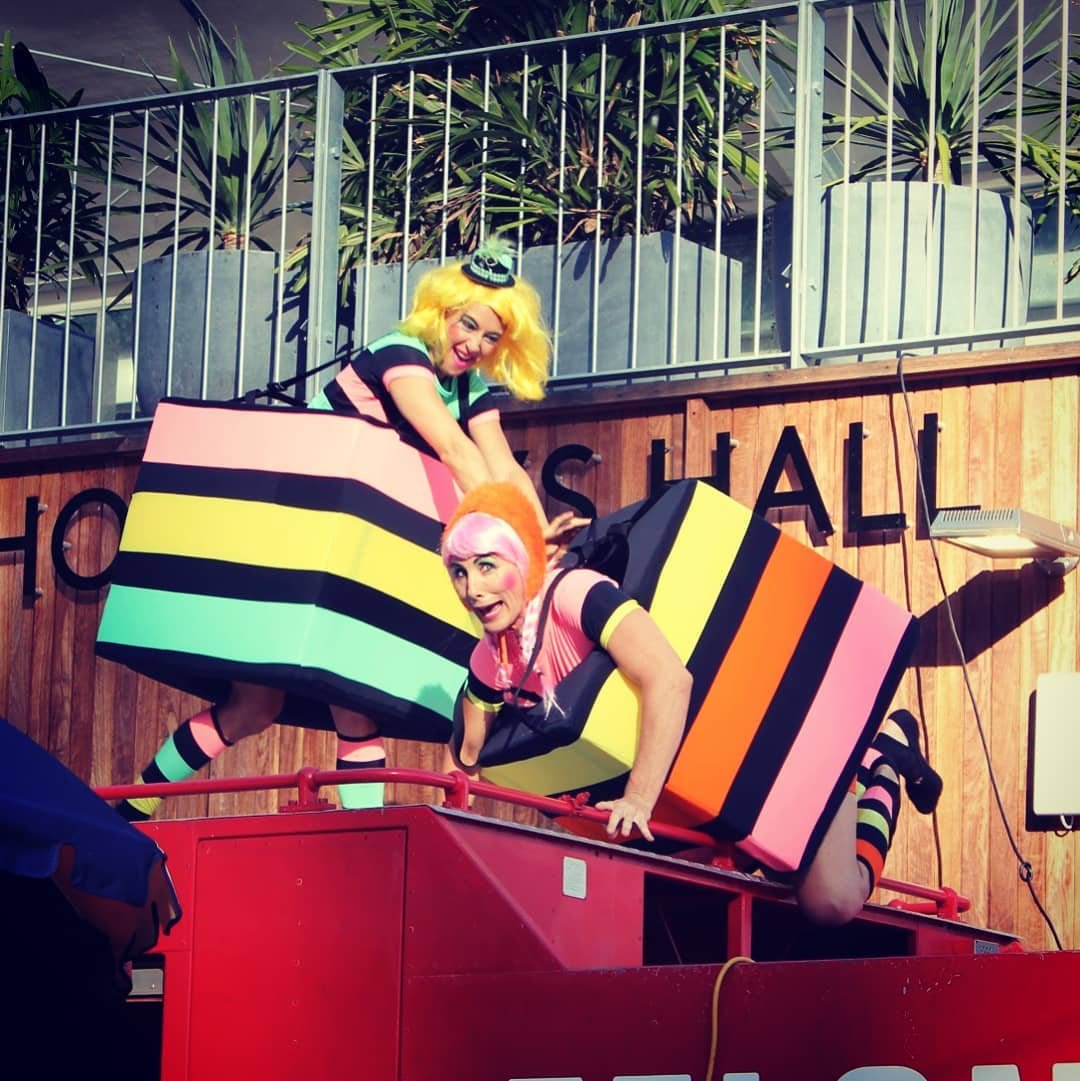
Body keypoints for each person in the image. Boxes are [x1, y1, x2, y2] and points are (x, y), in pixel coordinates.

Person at [116, 240, 578, 823]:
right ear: (441, 311)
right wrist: (520, 553)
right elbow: (456, 450)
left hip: (352, 554)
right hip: (298, 534)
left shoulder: (468, 386)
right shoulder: (400, 355)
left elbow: (505, 466)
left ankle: (356, 831)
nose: (475, 345)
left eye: (491, 338)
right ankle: (135, 802)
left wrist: (540, 546)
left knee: (307, 703)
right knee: (271, 702)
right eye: (469, 325)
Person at [438, 481, 942, 925]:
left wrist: (637, 799)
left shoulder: (578, 595)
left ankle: (879, 760)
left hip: (781, 741)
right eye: (458, 573)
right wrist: (474, 715)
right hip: (709, 791)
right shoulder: (492, 657)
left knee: (832, 900)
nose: (472, 589)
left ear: (522, 560)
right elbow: (470, 757)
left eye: (486, 567)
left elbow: (669, 679)